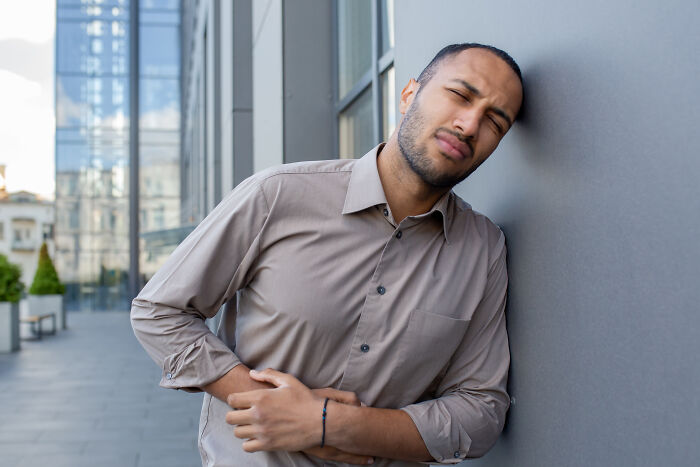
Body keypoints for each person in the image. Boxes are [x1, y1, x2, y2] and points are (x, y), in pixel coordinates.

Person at [131, 42, 523, 466]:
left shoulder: (483, 250)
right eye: (460, 96)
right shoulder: (279, 194)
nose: (469, 124)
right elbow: (159, 311)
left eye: (495, 122)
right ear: (409, 94)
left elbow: (481, 409)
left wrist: (336, 427)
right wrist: (265, 404)